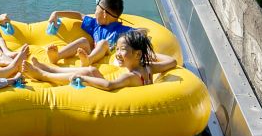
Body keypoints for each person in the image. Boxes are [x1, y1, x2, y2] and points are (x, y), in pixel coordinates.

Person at [25, 29, 165, 91]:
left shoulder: (131, 76)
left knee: (86, 73)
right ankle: (50, 68)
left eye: (122, 50)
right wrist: (147, 55)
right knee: (91, 69)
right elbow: (172, 62)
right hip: (123, 82)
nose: (117, 54)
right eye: (116, 49)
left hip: (110, 96)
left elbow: (109, 85)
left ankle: (44, 75)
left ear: (137, 54)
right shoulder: (148, 67)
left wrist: (84, 79)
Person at [44, 0, 131, 65]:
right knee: (83, 41)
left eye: (96, 10)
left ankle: (88, 60)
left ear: (104, 14)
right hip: (92, 55)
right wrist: (57, 13)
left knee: (103, 43)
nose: (94, 12)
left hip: (107, 58)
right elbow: (79, 15)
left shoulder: (121, 30)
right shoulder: (95, 24)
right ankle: (57, 56)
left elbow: (141, 31)